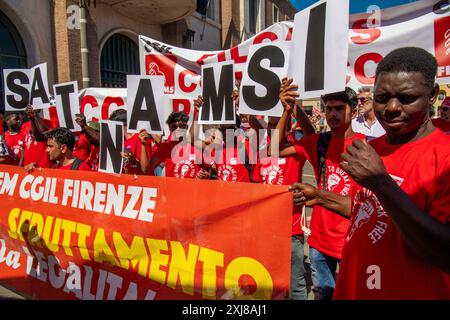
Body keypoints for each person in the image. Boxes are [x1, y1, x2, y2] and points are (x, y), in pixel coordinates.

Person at [290, 47, 450, 299]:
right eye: (382, 97)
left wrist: (381, 183)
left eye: (407, 98)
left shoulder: (445, 158)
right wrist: (320, 197)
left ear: (432, 95)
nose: (393, 107)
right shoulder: (369, 149)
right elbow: (366, 210)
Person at [276, 84, 365, 300]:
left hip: (352, 242)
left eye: (339, 108)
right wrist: (288, 110)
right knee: (322, 296)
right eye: (328, 108)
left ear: (353, 111)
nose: (332, 114)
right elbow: (275, 149)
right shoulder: (319, 143)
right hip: (319, 243)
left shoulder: (366, 145)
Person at [107, 109, 153, 175]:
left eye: (112, 126)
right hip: (126, 183)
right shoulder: (119, 140)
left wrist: (133, 161)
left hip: (140, 183)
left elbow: (146, 170)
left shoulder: (141, 138)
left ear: (120, 125)